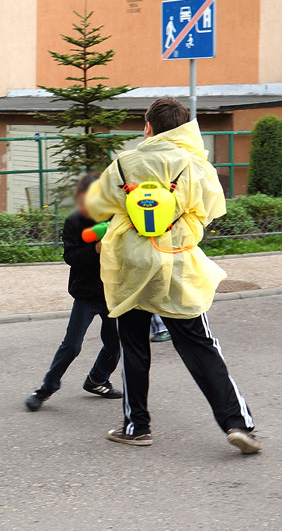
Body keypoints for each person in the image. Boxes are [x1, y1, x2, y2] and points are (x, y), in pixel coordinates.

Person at [86, 97, 260, 454]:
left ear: (147, 127)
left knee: (133, 345)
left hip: (132, 266)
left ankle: (137, 427)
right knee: (200, 346)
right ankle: (236, 424)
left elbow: (97, 207)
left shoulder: (124, 164)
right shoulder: (195, 165)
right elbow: (213, 209)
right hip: (177, 265)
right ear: (183, 128)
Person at [25, 173, 123, 412]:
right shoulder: (75, 222)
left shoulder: (117, 218)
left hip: (113, 293)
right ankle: (46, 388)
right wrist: (96, 249)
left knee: (115, 344)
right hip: (86, 294)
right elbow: (71, 257)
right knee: (72, 345)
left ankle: (97, 380)